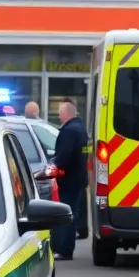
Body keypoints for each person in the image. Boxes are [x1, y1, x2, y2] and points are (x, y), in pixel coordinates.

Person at [51, 99, 88, 261]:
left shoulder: (69, 132)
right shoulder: (80, 129)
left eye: (60, 113)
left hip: (68, 179)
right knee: (72, 213)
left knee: (67, 214)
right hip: (78, 178)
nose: (59, 117)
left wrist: (53, 165)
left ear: (67, 113)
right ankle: (66, 248)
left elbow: (64, 157)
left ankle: (65, 249)